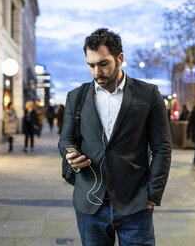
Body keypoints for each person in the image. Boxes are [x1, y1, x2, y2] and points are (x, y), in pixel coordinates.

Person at [58, 28, 172, 246]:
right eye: (91, 65)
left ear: (119, 59)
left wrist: (151, 196)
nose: (96, 72)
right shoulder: (76, 97)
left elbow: (162, 148)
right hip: (90, 205)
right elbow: (66, 139)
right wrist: (70, 155)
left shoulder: (148, 94)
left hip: (135, 204)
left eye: (103, 64)